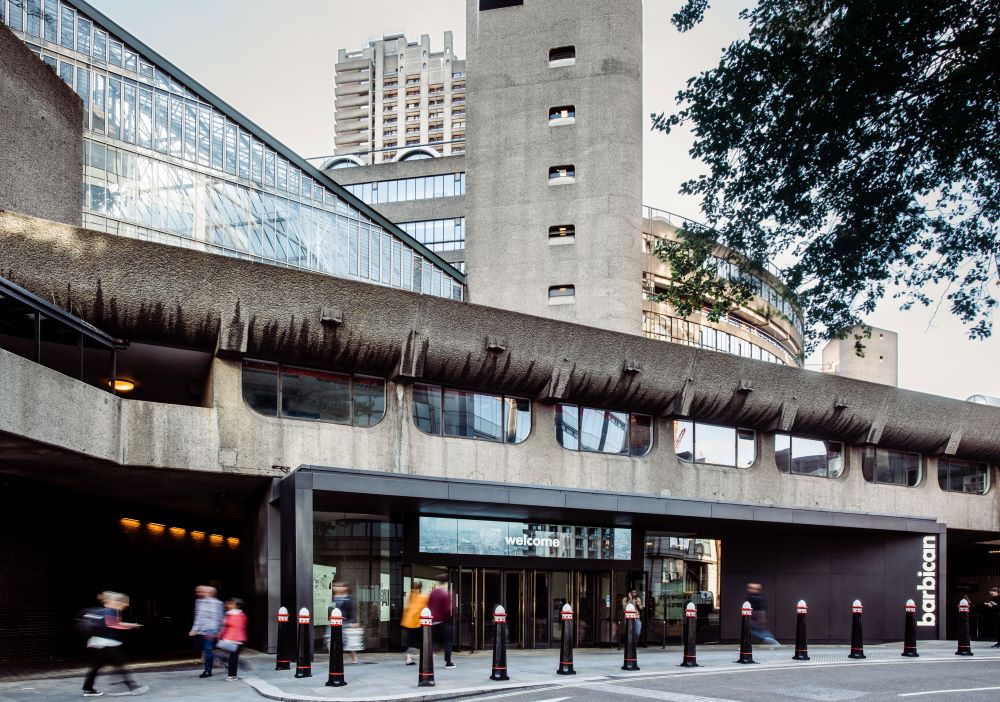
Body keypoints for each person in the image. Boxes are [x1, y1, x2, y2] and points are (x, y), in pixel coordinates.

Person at [81, 591, 149, 697]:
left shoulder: (102, 611)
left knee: (96, 666)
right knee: (120, 664)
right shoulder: (112, 610)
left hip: (96, 642)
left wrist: (131, 624)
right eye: (123, 601)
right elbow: (113, 625)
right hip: (106, 643)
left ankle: (88, 689)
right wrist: (130, 626)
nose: (125, 604)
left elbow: (112, 624)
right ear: (115, 601)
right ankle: (133, 687)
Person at [189, 585, 224, 678]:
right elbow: (198, 617)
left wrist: (217, 632)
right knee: (200, 648)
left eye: (200, 591)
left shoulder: (217, 603)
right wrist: (194, 628)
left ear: (208, 592)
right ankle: (220, 657)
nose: (198, 593)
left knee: (208, 650)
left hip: (211, 630)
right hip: (200, 630)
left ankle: (208, 671)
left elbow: (219, 618)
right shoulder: (199, 602)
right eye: (197, 591)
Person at [213, 598, 248, 681]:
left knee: (232, 658)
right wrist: (220, 635)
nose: (228, 604)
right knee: (231, 657)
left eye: (231, 603)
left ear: (236, 605)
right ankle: (235, 671)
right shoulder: (229, 614)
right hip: (229, 640)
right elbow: (225, 627)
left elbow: (237, 628)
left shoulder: (239, 615)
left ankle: (232, 675)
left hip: (236, 641)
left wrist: (228, 637)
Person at [428, 575, 454, 668]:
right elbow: (447, 609)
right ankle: (448, 662)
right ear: (446, 583)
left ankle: (429, 658)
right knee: (448, 641)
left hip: (433, 621)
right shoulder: (445, 594)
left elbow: (428, 605)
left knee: (434, 641)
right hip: (443, 621)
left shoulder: (432, 593)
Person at [333, 581, 362, 664]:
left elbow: (353, 611)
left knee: (349, 641)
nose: (335, 587)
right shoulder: (333, 598)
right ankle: (334, 659)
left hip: (346, 621)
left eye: (338, 586)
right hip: (335, 621)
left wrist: (354, 622)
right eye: (335, 586)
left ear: (345, 588)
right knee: (330, 641)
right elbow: (330, 609)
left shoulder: (349, 598)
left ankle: (354, 657)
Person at [401, 582, 429, 665]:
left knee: (410, 640)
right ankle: (415, 655)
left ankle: (409, 658)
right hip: (416, 622)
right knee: (419, 639)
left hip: (408, 621)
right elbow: (426, 609)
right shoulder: (423, 597)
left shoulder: (411, 595)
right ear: (420, 588)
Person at [746, 582, 780, 647]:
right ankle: (769, 638)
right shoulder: (760, 596)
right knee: (759, 629)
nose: (748, 589)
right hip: (760, 616)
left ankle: (768, 639)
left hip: (756, 616)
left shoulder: (753, 597)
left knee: (753, 629)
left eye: (750, 588)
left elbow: (752, 607)